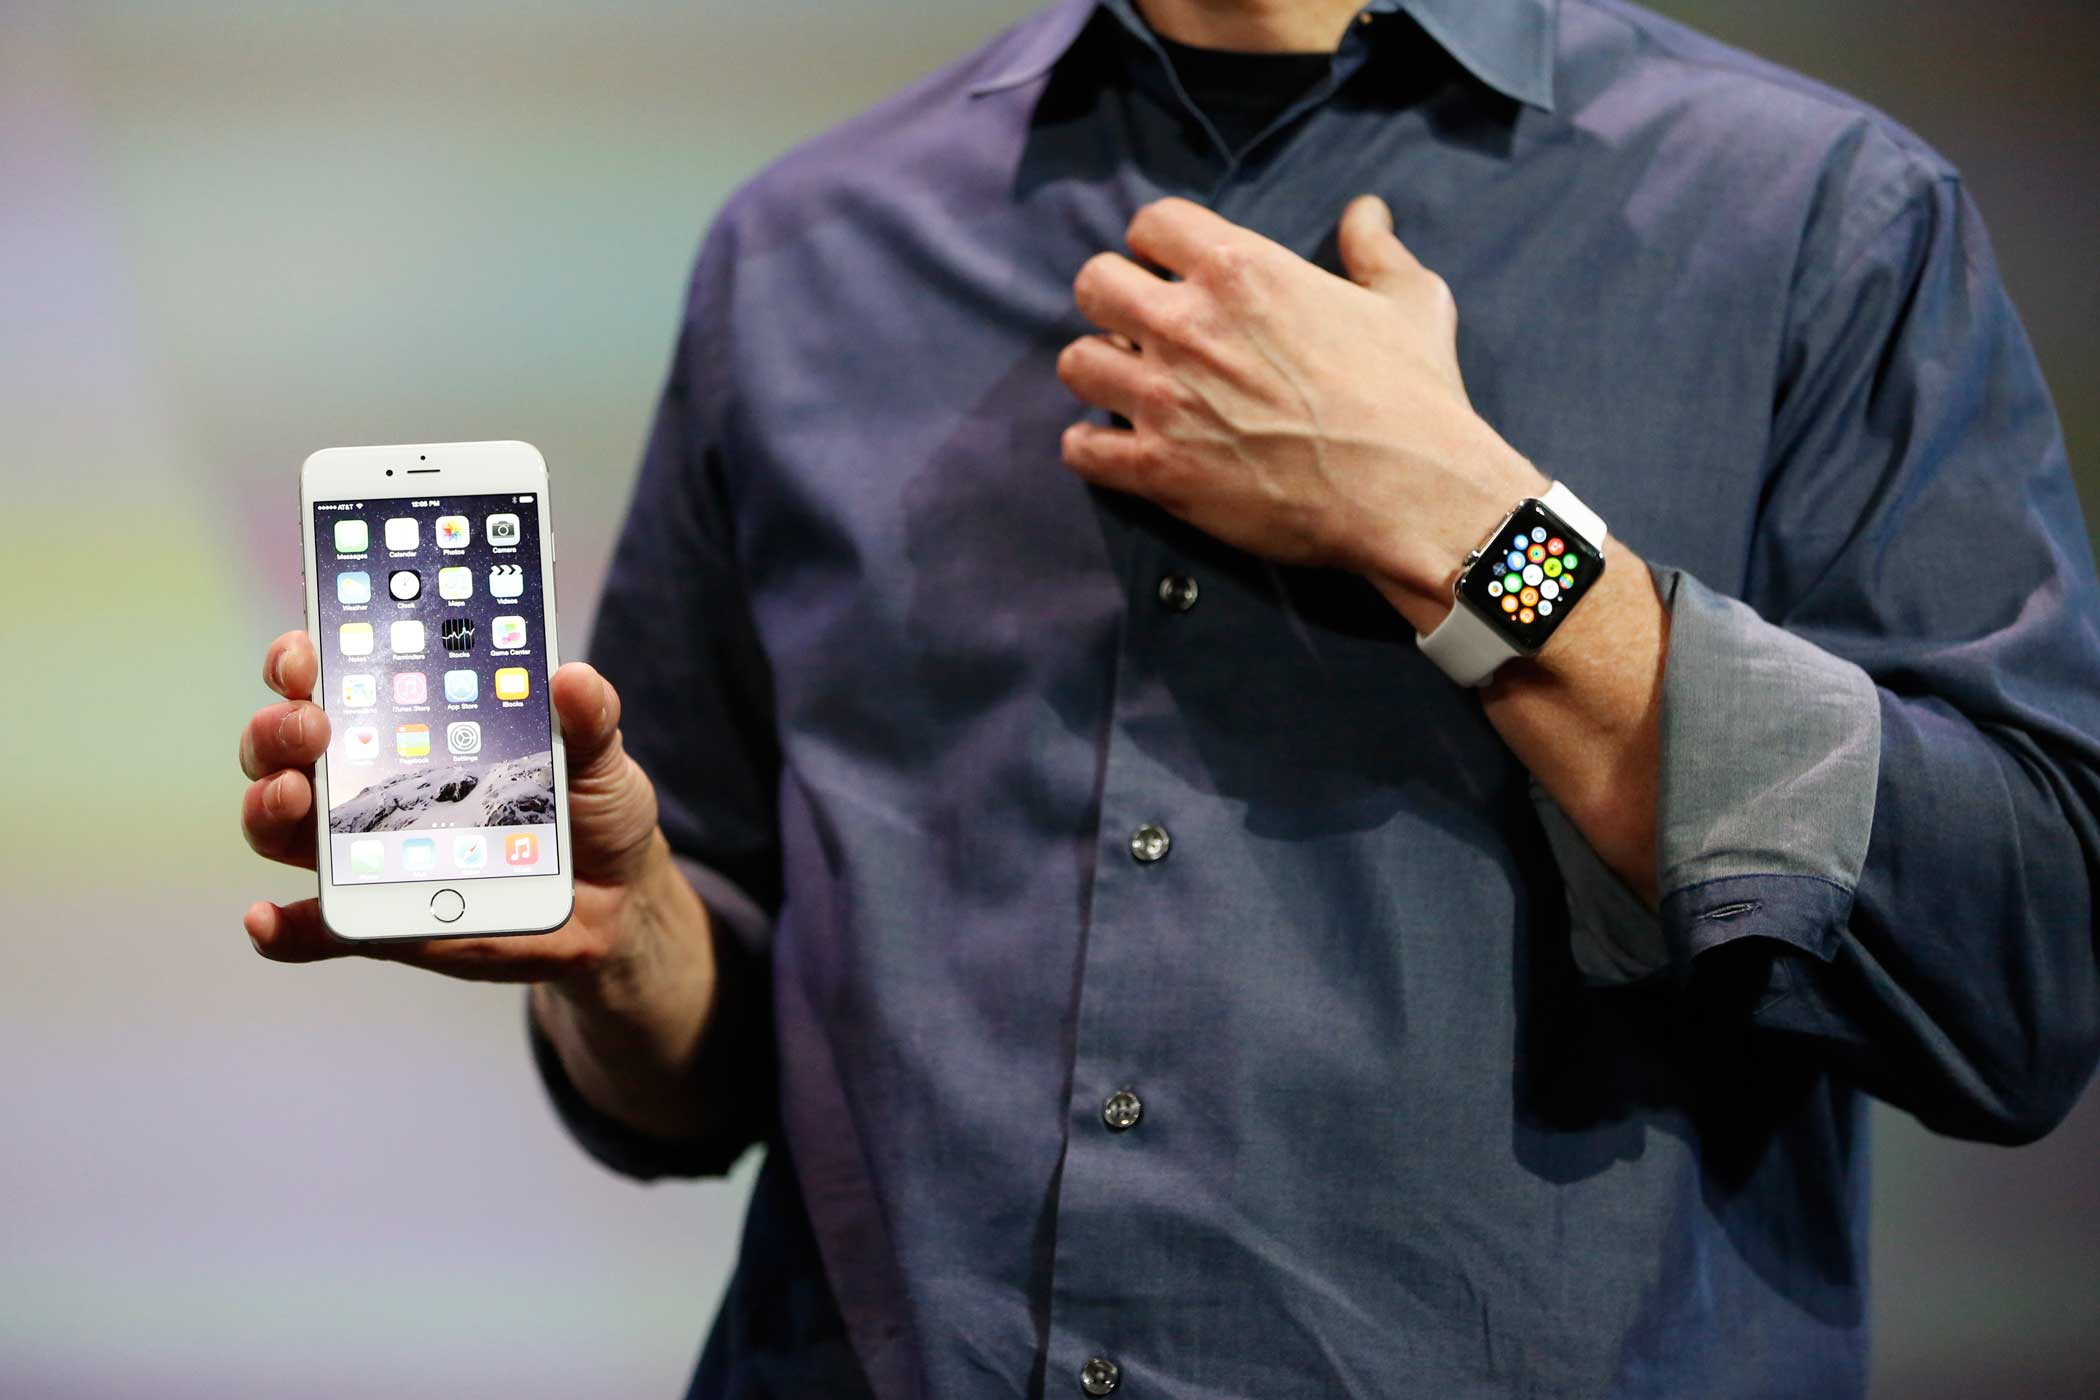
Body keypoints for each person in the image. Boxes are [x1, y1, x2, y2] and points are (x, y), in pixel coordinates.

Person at [237, 0, 2100, 1394]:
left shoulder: (1818, 221)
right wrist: (629, 940)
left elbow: (2022, 968)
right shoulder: (801, 251)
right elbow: (694, 1070)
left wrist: (1467, 528)